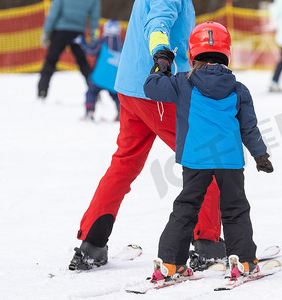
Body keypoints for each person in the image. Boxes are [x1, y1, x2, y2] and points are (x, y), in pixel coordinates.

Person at [69, 0, 226, 271]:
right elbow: (158, 23)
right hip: (158, 90)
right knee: (206, 155)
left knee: (125, 163)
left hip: (131, 89)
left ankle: (92, 243)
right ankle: (208, 243)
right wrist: (161, 55)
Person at [143, 21, 274, 281]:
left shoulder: (182, 83)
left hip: (196, 158)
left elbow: (151, 87)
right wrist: (261, 155)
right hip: (229, 160)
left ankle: (170, 263)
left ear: (192, 53)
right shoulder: (238, 89)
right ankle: (244, 261)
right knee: (235, 209)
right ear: (227, 52)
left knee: (186, 207)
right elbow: (249, 128)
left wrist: (162, 65)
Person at [37, 0, 100, 100]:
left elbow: (53, 13)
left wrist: (46, 32)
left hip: (60, 33)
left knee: (50, 61)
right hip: (78, 33)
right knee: (83, 63)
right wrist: (94, 36)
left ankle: (42, 91)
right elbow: (95, 18)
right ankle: (94, 91)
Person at [74, 19, 123, 121]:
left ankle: (90, 111)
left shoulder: (103, 41)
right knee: (116, 96)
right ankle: (121, 113)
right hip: (114, 78)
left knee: (91, 92)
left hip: (100, 76)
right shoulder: (122, 44)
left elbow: (91, 51)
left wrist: (83, 43)